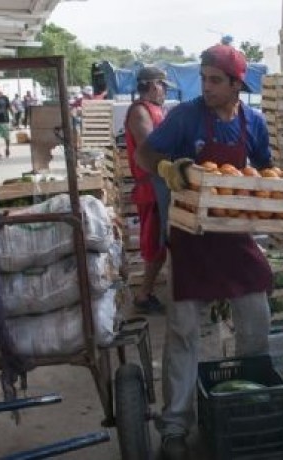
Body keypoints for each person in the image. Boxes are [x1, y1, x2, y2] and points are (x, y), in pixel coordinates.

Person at [135, 44, 273, 460]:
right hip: (190, 237)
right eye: (204, 77)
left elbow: (265, 169)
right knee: (183, 331)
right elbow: (145, 152)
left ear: (236, 85)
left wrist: (273, 191)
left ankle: (250, 402)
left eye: (216, 80)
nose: (206, 87)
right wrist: (164, 168)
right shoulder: (186, 116)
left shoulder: (253, 122)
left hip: (234, 238)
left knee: (256, 316)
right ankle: (175, 426)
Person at [123, 66, 175, 314]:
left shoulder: (156, 110)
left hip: (161, 183)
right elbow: (149, 148)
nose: (164, 91)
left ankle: (150, 290)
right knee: (155, 243)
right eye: (163, 86)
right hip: (152, 186)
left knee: (162, 242)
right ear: (154, 85)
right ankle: (144, 294)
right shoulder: (140, 112)